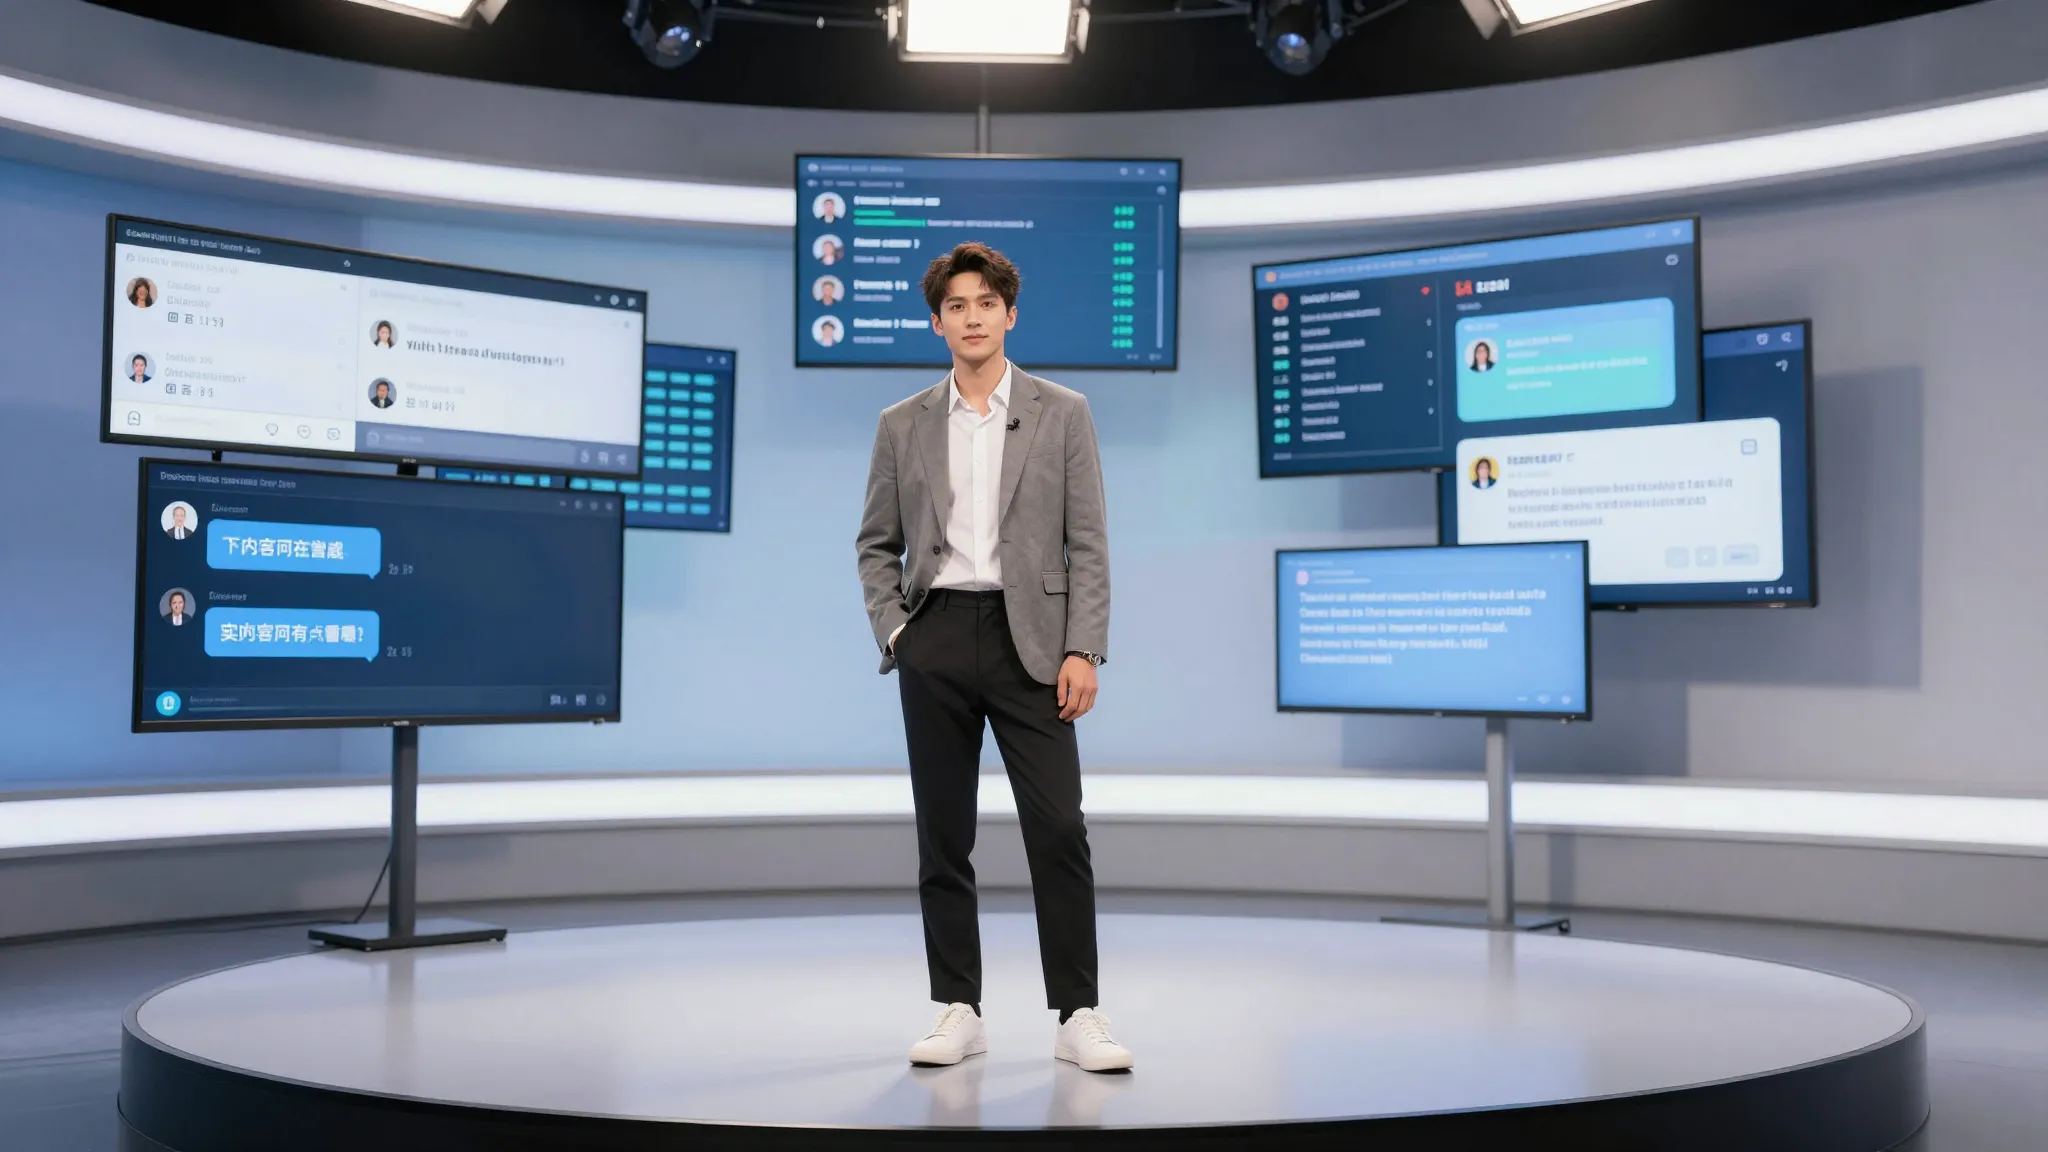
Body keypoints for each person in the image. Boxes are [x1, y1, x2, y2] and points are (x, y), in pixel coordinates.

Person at [856, 242, 1129, 1074]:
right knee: (944, 836)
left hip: (1034, 645)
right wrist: (898, 634)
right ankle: (958, 1006)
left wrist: (1084, 647)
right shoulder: (901, 424)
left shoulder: (1062, 411)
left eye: (986, 303)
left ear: (1010, 314)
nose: (971, 318)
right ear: (936, 322)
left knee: (1058, 829)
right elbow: (876, 545)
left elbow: (1088, 541)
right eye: (956, 306)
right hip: (936, 636)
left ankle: (1078, 1013)